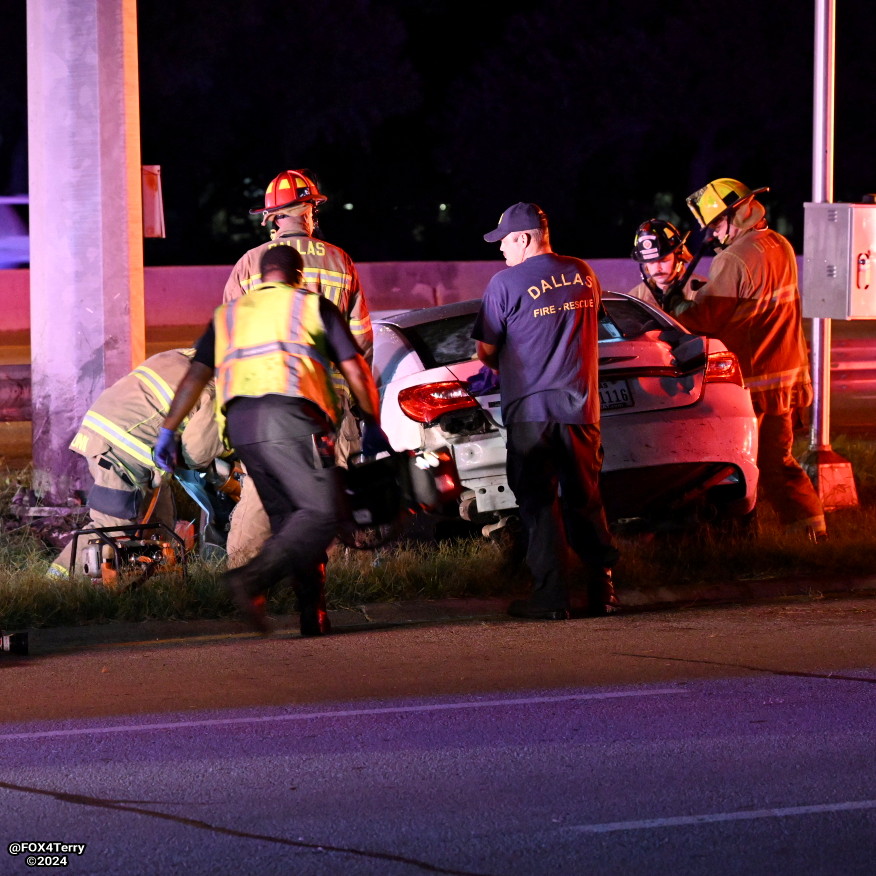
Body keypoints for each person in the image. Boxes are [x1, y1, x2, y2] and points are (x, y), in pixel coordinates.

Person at [154, 245, 391, 637]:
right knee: (322, 513)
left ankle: (312, 617)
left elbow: (195, 376)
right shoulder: (310, 306)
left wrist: (168, 430)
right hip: (292, 419)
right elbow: (356, 367)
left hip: (244, 429)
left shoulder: (230, 315)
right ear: (298, 275)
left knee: (291, 523)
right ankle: (251, 580)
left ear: (262, 277)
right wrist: (372, 421)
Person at [471, 202, 619, 620]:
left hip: (531, 411)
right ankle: (603, 589)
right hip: (581, 407)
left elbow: (486, 349)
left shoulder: (504, 284)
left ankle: (552, 597)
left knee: (538, 502)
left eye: (503, 241)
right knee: (585, 498)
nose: (500, 250)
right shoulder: (583, 273)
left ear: (523, 237)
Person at [222, 169, 374, 566]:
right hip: (330, 404)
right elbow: (360, 341)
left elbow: (230, 340)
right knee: (330, 488)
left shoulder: (250, 264)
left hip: (267, 400)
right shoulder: (341, 261)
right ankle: (334, 576)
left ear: (272, 218)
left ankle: (244, 572)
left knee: (262, 487)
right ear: (310, 211)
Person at [665, 178, 826, 541]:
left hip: (754, 385)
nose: (715, 235)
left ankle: (741, 539)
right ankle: (813, 536)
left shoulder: (735, 257)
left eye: (718, 225)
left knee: (735, 467)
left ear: (736, 214)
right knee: (778, 463)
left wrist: (676, 302)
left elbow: (701, 319)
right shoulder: (778, 244)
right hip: (785, 380)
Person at [49, 349, 224, 577]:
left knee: (158, 524)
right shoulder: (218, 387)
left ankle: (152, 585)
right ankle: (58, 583)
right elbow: (197, 454)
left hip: (105, 434)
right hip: (122, 451)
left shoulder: (181, 355)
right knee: (111, 530)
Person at [627, 218, 706, 309]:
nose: (657, 268)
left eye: (664, 260)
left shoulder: (703, 291)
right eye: (651, 262)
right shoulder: (635, 298)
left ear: (679, 256)